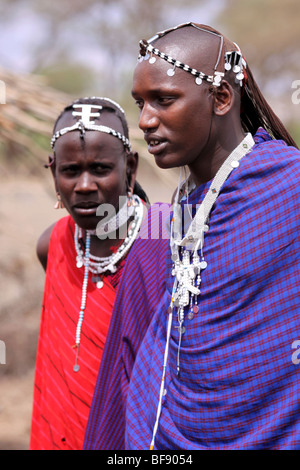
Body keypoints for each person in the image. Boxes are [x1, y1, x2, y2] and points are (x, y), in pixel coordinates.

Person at [84, 23, 300, 450]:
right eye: (140, 103)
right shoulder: (178, 210)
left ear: (220, 99)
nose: (145, 121)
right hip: (166, 437)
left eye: (164, 100)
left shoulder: (289, 188)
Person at [29, 96, 148, 450]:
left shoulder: (160, 243)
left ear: (130, 167)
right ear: (52, 171)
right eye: (70, 170)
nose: (83, 185)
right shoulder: (52, 245)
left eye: (99, 169)